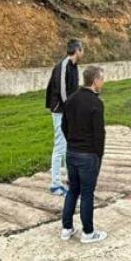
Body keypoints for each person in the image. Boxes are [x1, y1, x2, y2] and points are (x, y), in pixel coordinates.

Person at [60, 65, 108, 243]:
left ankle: (67, 228)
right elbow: (99, 134)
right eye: (101, 79)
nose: (102, 82)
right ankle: (88, 232)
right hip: (88, 155)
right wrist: (99, 155)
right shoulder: (96, 103)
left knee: (73, 190)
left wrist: (72, 142)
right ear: (95, 80)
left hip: (71, 152)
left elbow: (64, 126)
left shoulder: (71, 99)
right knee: (87, 193)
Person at [45, 39, 84, 195]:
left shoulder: (74, 67)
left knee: (69, 145)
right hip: (61, 110)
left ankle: (70, 178)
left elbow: (73, 90)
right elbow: (62, 91)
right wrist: (69, 109)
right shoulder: (64, 66)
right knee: (60, 146)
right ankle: (55, 184)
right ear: (77, 50)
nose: (83, 52)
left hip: (69, 111)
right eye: (82, 49)